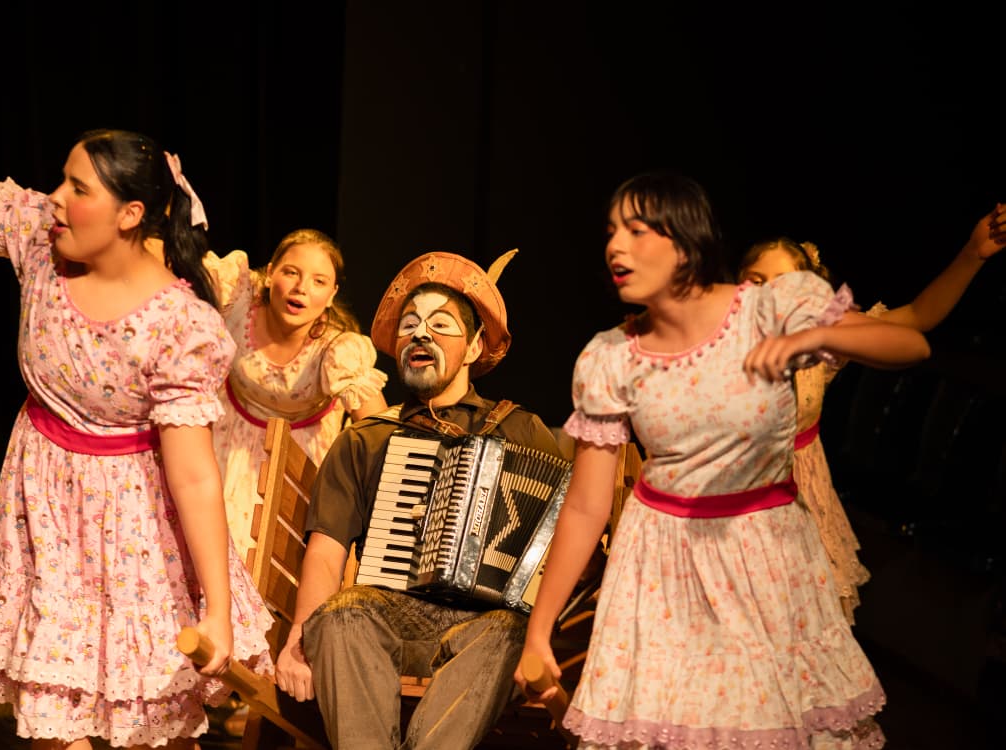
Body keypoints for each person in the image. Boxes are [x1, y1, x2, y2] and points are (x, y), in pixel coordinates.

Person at [0, 37, 273, 748]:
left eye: (79, 189)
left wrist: (217, 610)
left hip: (132, 528)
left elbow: (193, 475)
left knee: (146, 722)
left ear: (130, 214)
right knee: (55, 722)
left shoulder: (178, 326)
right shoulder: (40, 239)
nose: (55, 199)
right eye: (62, 180)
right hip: (46, 502)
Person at [517, 172, 932, 748]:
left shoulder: (770, 308)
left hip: (764, 556)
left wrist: (814, 338)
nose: (615, 247)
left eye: (636, 231)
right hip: (659, 567)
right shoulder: (609, 358)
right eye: (611, 232)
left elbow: (912, 345)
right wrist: (539, 631)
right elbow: (586, 506)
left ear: (685, 241)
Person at [274, 250, 565, 749]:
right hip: (390, 620)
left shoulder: (522, 431)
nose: (420, 335)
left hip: (482, 630)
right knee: (342, 613)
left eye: (440, 325)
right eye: (409, 325)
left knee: (511, 627)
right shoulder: (366, 439)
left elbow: (564, 536)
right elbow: (326, 550)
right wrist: (301, 636)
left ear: (474, 347)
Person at [738, 211, 1006, 622]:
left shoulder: (821, 342)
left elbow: (917, 319)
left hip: (799, 505)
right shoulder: (715, 343)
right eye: (758, 281)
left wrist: (973, 253)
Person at [202, 229, 388, 562]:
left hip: (296, 463)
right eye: (291, 273)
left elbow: (378, 430)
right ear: (270, 273)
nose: (302, 287)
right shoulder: (239, 302)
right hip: (226, 443)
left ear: (331, 295)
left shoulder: (335, 349)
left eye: (319, 281)